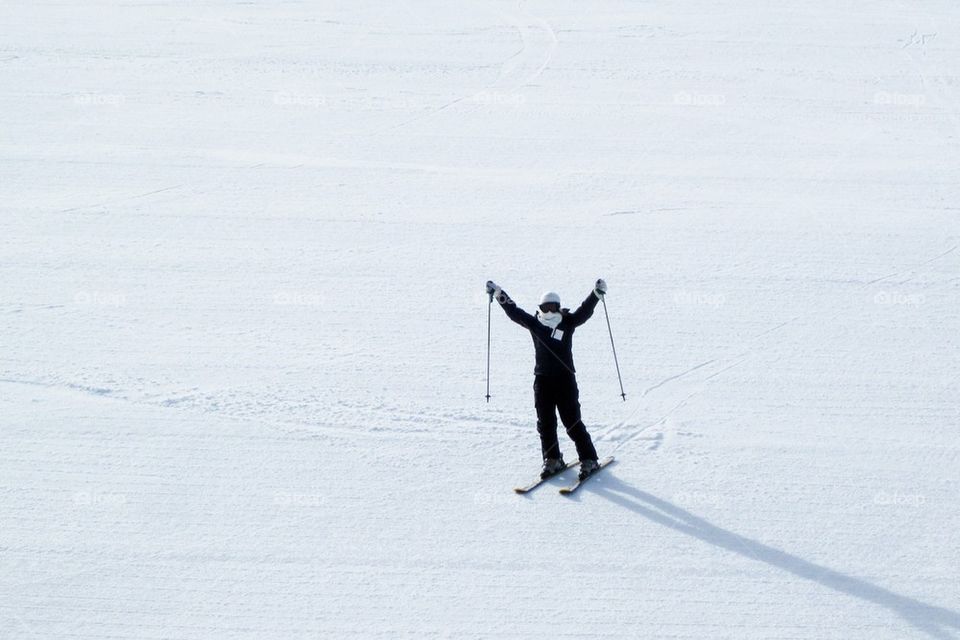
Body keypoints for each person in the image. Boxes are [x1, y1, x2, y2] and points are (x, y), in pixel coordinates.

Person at [485, 279, 608, 480]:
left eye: (553, 307)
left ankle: (589, 459)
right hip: (542, 380)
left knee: (572, 421)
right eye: (545, 307)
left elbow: (584, 311)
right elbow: (514, 311)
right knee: (545, 423)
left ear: (559, 307)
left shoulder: (568, 322)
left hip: (565, 379)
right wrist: (499, 293)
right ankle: (552, 459)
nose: (549, 311)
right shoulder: (535, 323)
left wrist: (596, 293)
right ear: (540, 308)